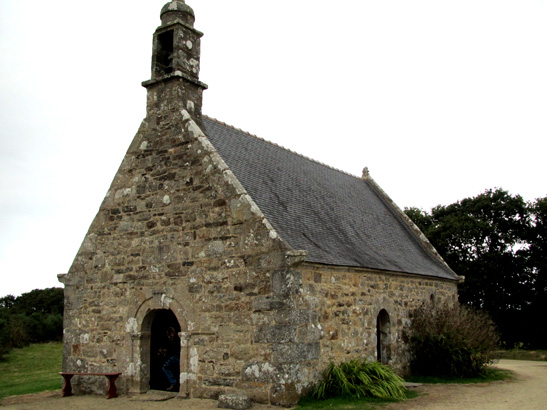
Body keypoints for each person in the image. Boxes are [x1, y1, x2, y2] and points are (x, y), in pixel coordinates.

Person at [158, 326, 180, 391]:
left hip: (179, 357)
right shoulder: (169, 340)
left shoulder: (177, 339)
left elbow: (174, 349)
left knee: (181, 369)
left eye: (170, 333)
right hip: (174, 357)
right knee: (165, 367)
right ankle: (174, 383)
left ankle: (178, 384)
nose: (169, 336)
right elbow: (168, 348)